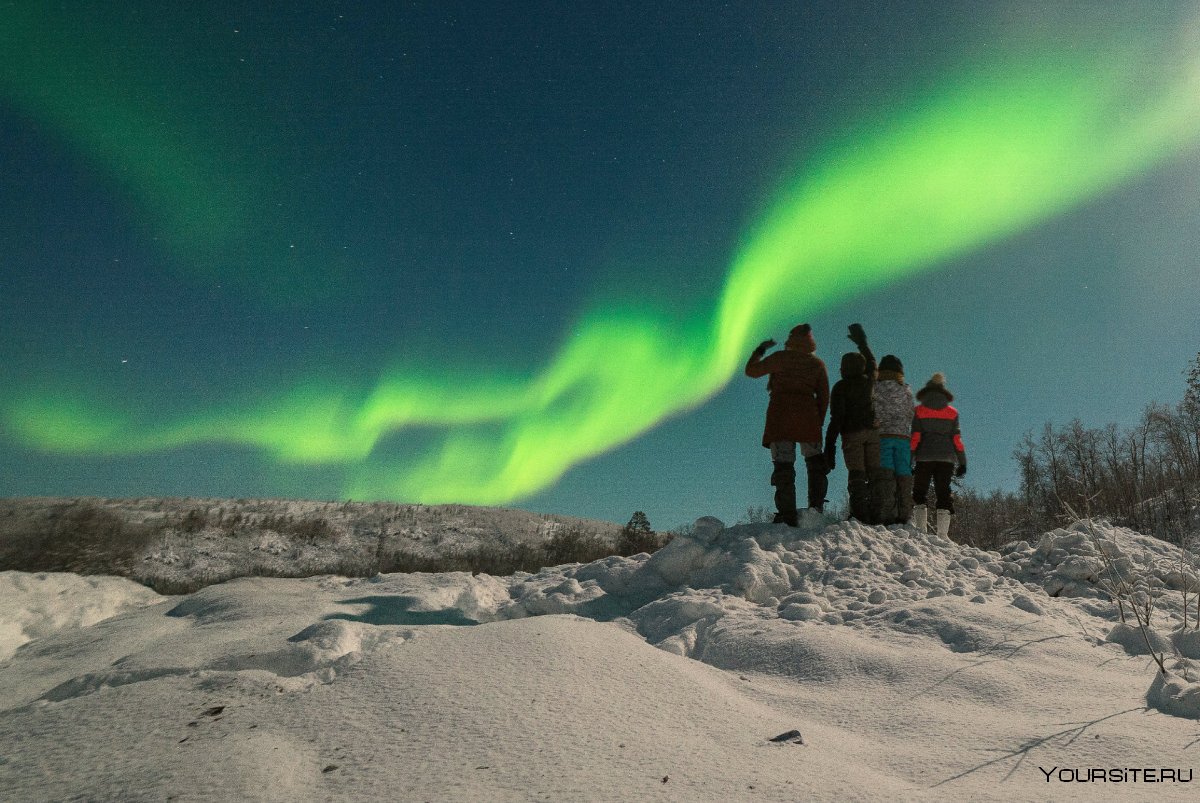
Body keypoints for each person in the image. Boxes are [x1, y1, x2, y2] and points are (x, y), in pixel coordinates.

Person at [745, 323, 830, 525]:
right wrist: (818, 421)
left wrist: (760, 350)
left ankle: (786, 514)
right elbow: (824, 397)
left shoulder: (780, 358)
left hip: (780, 417)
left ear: (791, 339)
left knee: (783, 466)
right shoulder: (817, 364)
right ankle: (815, 510)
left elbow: (751, 371)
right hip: (808, 418)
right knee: (815, 464)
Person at [823, 324, 882, 523]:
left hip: (852, 435)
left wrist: (829, 448)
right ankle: (877, 512)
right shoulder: (869, 380)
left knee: (857, 474)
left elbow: (836, 419)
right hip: (874, 432)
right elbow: (874, 363)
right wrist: (862, 343)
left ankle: (859, 514)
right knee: (874, 473)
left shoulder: (840, 387)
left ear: (843, 369)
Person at [910, 372, 967, 537]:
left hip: (924, 457)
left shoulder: (919, 411)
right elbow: (956, 439)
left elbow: (915, 438)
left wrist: (910, 460)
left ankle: (921, 531)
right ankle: (943, 535)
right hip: (946, 458)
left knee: (920, 491)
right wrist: (962, 462)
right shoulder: (952, 413)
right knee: (943, 492)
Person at [873, 354, 915, 525]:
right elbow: (911, 413)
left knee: (886, 476)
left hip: (883, 437)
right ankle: (905, 514)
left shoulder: (876, 388)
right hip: (903, 438)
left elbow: (872, 410)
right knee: (904, 475)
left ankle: (886, 514)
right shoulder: (905, 390)